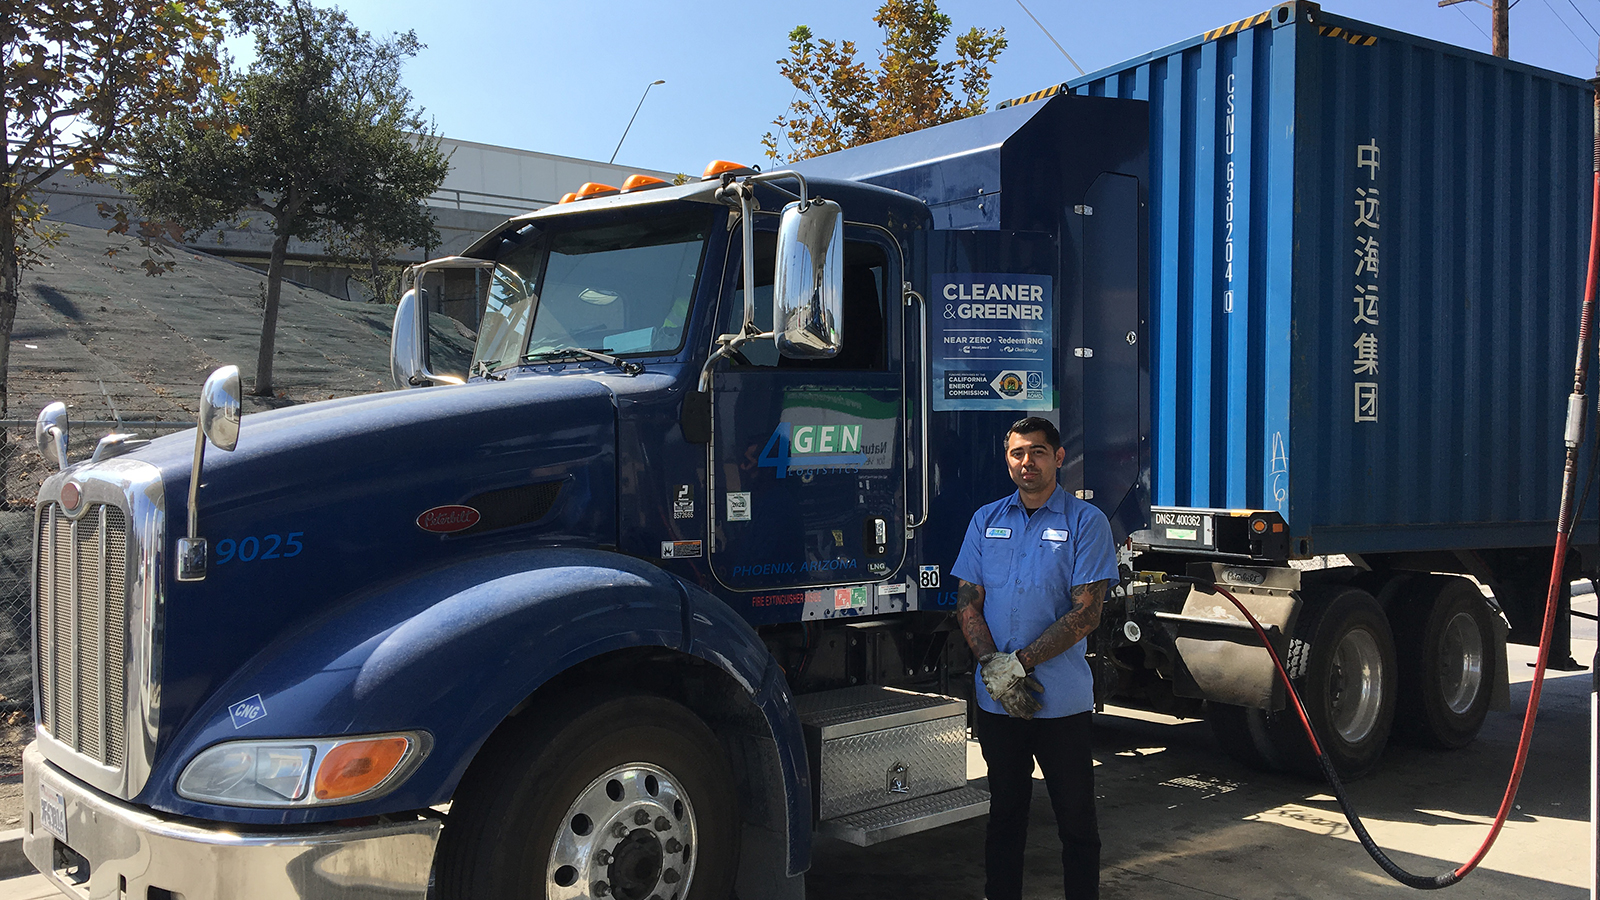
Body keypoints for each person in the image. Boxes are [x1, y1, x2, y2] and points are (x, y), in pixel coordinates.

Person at [950, 416, 1119, 900]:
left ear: (1059, 458)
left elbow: (1087, 613)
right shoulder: (986, 520)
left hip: (1061, 704)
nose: (1028, 462)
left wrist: (1018, 664)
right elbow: (968, 602)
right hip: (999, 703)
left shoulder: (1086, 522)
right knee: (1005, 816)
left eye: (1038, 452)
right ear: (1008, 460)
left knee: (1077, 823)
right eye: (1018, 453)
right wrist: (994, 668)